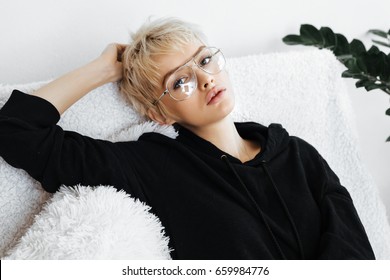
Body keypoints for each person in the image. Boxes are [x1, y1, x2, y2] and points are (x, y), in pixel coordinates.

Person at [0, 17, 375, 260]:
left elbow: (355, 248)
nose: (206, 79)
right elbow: (16, 130)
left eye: (205, 60)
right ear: (159, 113)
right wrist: (101, 69)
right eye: (180, 81)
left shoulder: (295, 153)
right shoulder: (152, 167)